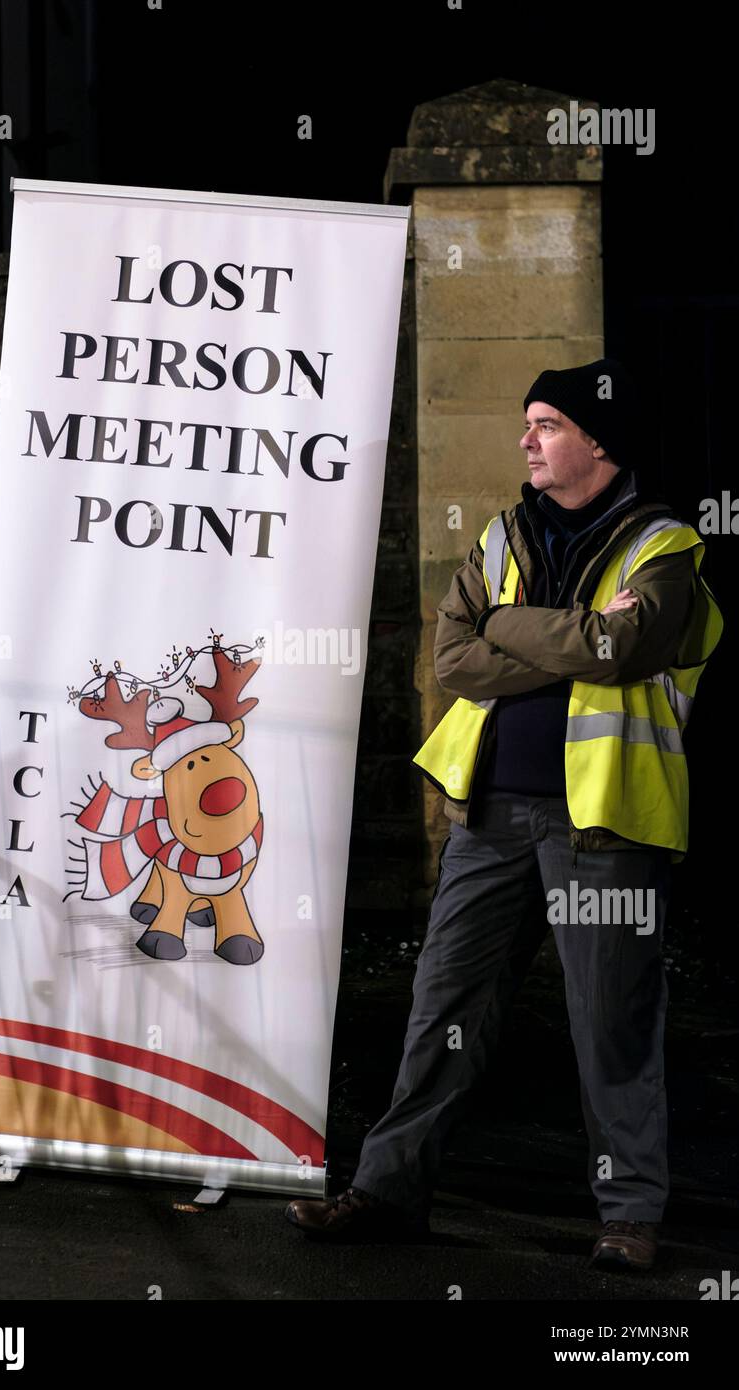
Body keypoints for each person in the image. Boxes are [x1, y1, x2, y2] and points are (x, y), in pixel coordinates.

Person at [284, 358, 723, 1271]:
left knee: (613, 1016)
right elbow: (454, 659)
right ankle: (389, 1191)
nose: (526, 439)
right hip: (488, 816)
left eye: (547, 424)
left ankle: (629, 1218)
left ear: (599, 440)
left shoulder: (666, 546)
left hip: (603, 824)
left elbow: (626, 646)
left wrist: (513, 625)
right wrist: (573, 637)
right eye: (528, 423)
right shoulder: (501, 532)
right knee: (444, 1003)